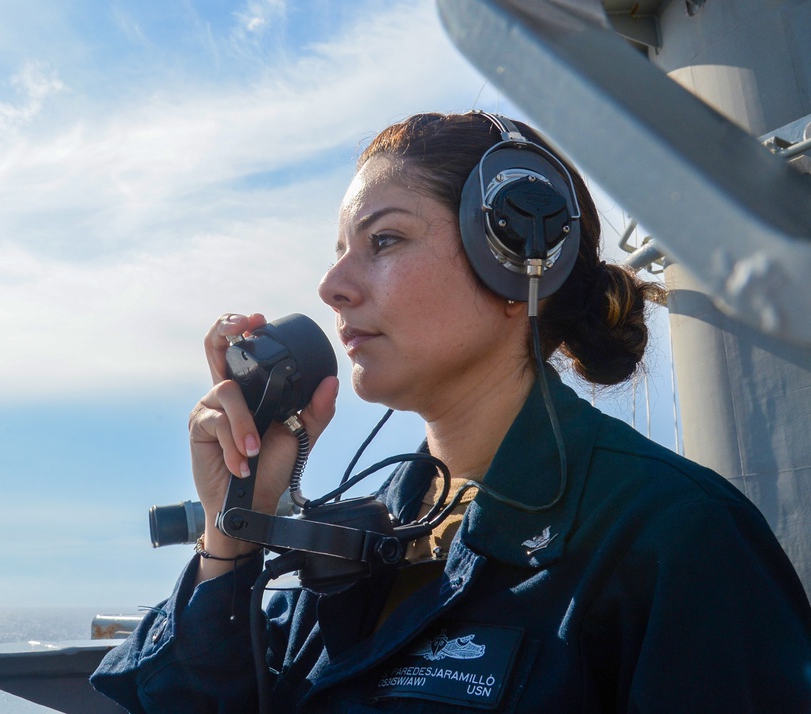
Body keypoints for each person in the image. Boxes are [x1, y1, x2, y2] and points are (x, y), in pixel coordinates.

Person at [91, 112, 811, 712]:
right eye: (340, 251)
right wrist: (234, 531)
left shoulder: (676, 539)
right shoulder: (353, 544)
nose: (331, 285)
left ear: (519, 256)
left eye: (384, 240)